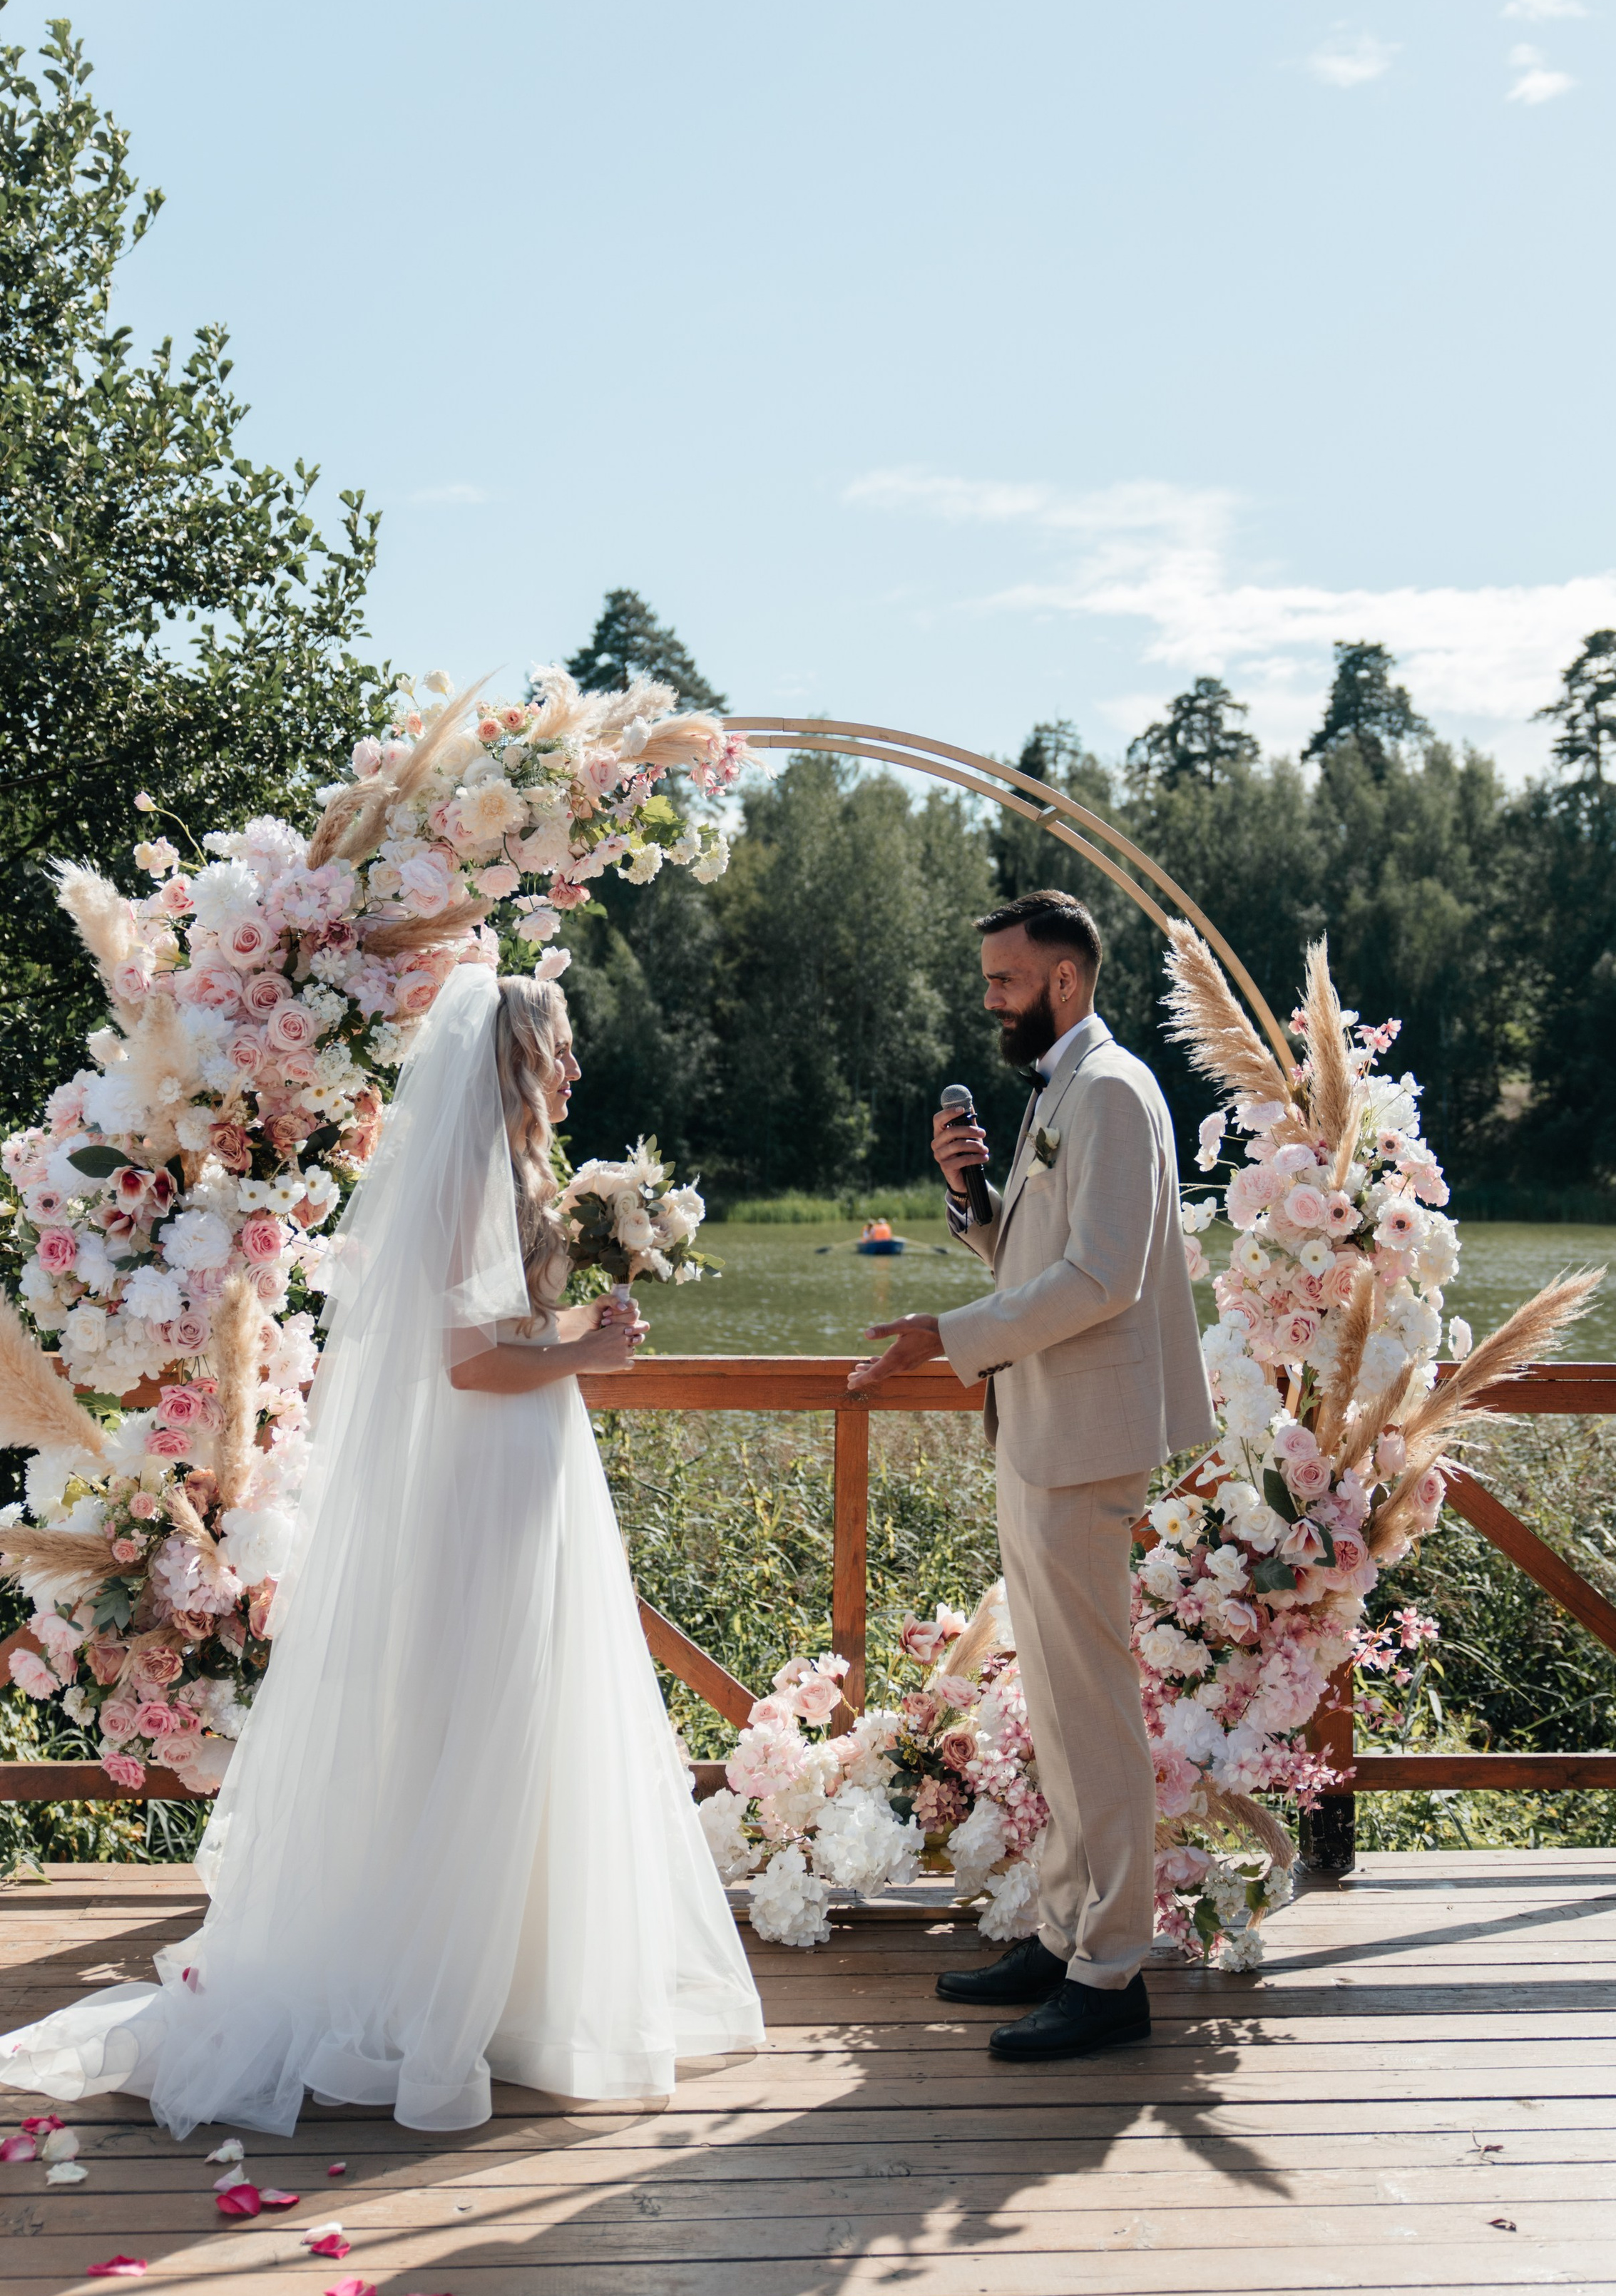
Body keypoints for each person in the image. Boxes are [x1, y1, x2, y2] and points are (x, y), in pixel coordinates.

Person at [0, 966, 762, 2136]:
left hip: (532, 1456)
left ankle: (526, 1984)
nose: (571, 1071)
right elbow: (466, 1360)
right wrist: (581, 1359)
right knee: (488, 1701)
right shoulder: (470, 1180)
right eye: (556, 1051)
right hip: (492, 1464)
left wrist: (583, 1328)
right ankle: (449, 1986)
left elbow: (507, 1330)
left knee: (539, 1697)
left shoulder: (526, 1178)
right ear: (512, 1059)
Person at [849, 890, 1211, 2060]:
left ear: (1064, 978)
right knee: (1055, 1704)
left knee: (1092, 1711)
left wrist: (948, 1334)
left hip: (1084, 1437)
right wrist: (973, 1200)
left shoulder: (1108, 1089)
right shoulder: (1063, 1089)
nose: (990, 998)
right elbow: (1040, 1255)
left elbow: (1102, 1278)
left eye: (1005, 979)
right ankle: (1064, 1934)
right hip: (1044, 1429)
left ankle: (1112, 1974)